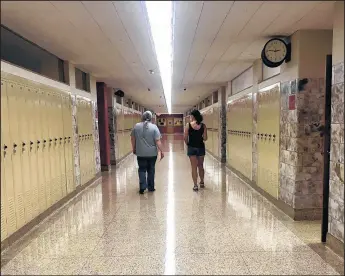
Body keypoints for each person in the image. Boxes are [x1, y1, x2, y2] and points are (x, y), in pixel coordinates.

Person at [131, 111, 164, 194]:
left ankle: (142, 187)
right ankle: (151, 187)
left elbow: (133, 139)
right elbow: (158, 141)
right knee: (151, 170)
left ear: (142, 117)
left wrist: (134, 148)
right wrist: (161, 151)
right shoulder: (154, 127)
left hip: (141, 153)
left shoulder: (136, 126)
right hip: (152, 154)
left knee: (141, 169)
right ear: (151, 118)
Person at [184, 109, 207, 191]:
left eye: (191, 116)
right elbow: (205, 138)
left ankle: (195, 185)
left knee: (193, 167)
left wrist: (188, 144)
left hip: (191, 147)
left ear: (193, 116)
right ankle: (202, 182)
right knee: (200, 166)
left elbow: (185, 137)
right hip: (200, 147)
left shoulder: (188, 125)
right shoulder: (203, 126)